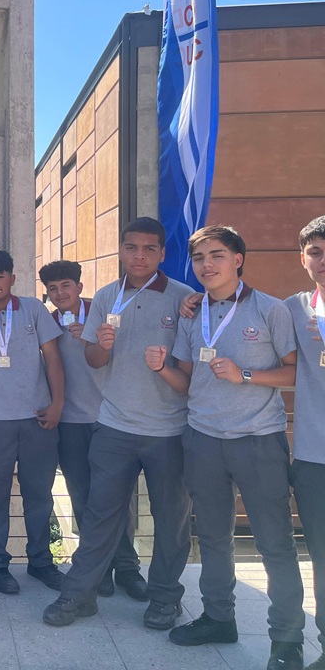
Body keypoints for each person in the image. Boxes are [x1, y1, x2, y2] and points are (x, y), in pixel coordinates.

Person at [156, 225, 303, 670]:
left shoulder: (271, 309)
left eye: (217, 255)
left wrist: (245, 375)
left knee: (274, 543)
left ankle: (287, 641)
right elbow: (187, 380)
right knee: (213, 537)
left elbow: (295, 373)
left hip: (258, 440)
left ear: (238, 259)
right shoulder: (192, 312)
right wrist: (161, 368)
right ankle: (219, 618)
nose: (207, 265)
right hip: (202, 439)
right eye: (199, 258)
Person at [43, 217, 193, 632]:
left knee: (171, 521)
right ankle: (79, 594)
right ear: (121, 250)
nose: (139, 256)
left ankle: (164, 599)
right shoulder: (107, 296)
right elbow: (93, 360)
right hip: (113, 427)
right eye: (131, 247)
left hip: (169, 430)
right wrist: (102, 347)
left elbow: (190, 373)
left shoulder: (185, 300)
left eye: (148, 249)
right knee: (99, 517)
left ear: (162, 253)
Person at [39, 259, 147, 601]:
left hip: (111, 420)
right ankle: (97, 570)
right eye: (53, 289)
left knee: (120, 497)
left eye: (66, 286)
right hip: (71, 422)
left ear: (80, 287)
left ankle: (127, 568)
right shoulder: (48, 323)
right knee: (82, 497)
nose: (60, 293)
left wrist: (92, 336)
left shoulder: (102, 315)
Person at [0, 250, 64, 595]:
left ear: (12, 279)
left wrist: (57, 403)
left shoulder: (33, 308)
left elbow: (53, 357)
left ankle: (41, 562)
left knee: (39, 495)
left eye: (1, 276)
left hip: (37, 418)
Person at [287, 215, 325, 670]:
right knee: (322, 557)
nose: (322, 260)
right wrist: (191, 303)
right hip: (314, 458)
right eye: (315, 252)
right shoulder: (294, 310)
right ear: (303, 259)